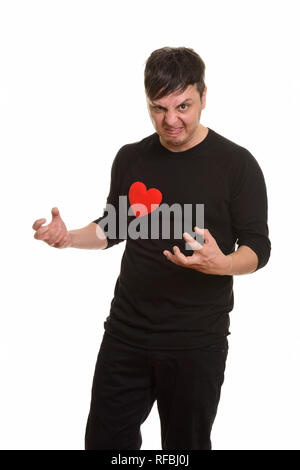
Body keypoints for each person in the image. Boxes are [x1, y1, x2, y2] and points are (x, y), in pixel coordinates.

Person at [32, 46, 271, 450]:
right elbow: (114, 227)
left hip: (196, 341)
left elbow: (258, 249)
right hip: (126, 334)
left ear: (204, 96)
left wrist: (222, 264)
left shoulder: (237, 164)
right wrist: (69, 237)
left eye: (183, 106)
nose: (171, 120)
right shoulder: (131, 158)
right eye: (159, 108)